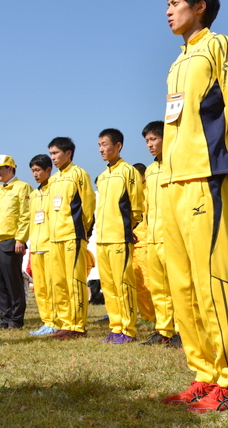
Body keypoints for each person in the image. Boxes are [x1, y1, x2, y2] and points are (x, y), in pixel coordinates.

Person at [159, 0, 228, 413]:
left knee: (214, 279)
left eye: (175, 3)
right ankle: (204, 374)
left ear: (199, 7)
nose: (168, 11)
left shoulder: (220, 46)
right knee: (183, 285)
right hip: (173, 181)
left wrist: (223, 157)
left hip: (205, 175)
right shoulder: (178, 61)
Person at [94, 128, 144, 344]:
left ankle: (128, 329)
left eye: (104, 144)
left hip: (120, 237)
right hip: (102, 238)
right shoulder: (103, 176)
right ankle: (115, 327)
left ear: (118, 146)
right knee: (109, 286)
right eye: (99, 145)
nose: (101, 149)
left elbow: (136, 206)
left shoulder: (128, 171)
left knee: (124, 285)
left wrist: (127, 228)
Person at [46, 137, 96, 340]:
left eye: (56, 153)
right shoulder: (53, 180)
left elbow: (88, 205)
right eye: (51, 153)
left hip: (73, 235)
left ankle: (77, 325)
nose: (53, 157)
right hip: (55, 238)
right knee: (58, 282)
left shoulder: (79, 174)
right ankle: (65, 323)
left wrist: (83, 230)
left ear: (68, 153)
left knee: (74, 281)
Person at [140, 121, 179, 348]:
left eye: (154, 139)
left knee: (178, 286)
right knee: (158, 287)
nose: (149, 144)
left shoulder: (177, 163)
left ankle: (182, 329)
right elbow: (146, 206)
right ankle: (164, 329)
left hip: (173, 236)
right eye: (147, 141)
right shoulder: (150, 170)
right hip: (153, 237)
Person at [0, 155, 31, 330]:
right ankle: (4, 318)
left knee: (13, 283)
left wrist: (20, 239)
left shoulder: (22, 187)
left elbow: (26, 215)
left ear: (10, 168)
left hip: (10, 242)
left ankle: (16, 320)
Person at [27, 154, 59, 336]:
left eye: (38, 170)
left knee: (52, 286)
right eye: (33, 171)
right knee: (39, 287)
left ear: (48, 170)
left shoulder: (55, 189)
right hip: (37, 246)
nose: (35, 174)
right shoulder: (33, 194)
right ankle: (46, 321)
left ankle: (56, 320)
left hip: (51, 245)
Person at [131, 161, 156, 327]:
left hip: (146, 243)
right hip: (134, 244)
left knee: (149, 283)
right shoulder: (135, 194)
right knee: (138, 285)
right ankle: (146, 315)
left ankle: (154, 316)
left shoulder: (149, 192)